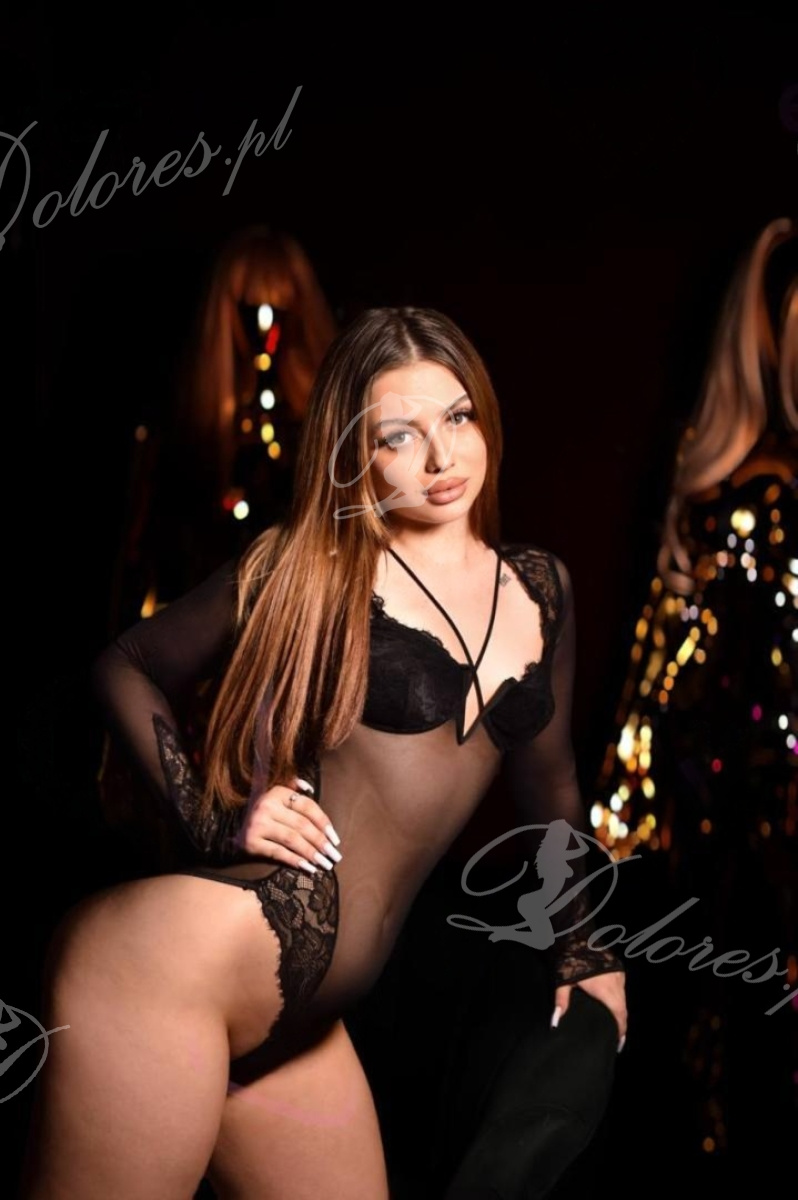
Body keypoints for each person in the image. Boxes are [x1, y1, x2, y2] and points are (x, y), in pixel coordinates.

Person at [20, 307, 627, 1199]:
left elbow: (552, 781)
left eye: (458, 417)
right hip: (166, 975)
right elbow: (126, 664)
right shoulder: (312, 567)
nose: (442, 457)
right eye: (398, 436)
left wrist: (584, 948)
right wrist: (215, 817)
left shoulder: (542, 590)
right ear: (356, 455)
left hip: (300, 1030)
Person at [593, 218, 796, 1164]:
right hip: (742, 866)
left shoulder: (722, 490)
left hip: (706, 867)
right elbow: (670, 693)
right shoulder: (760, 502)